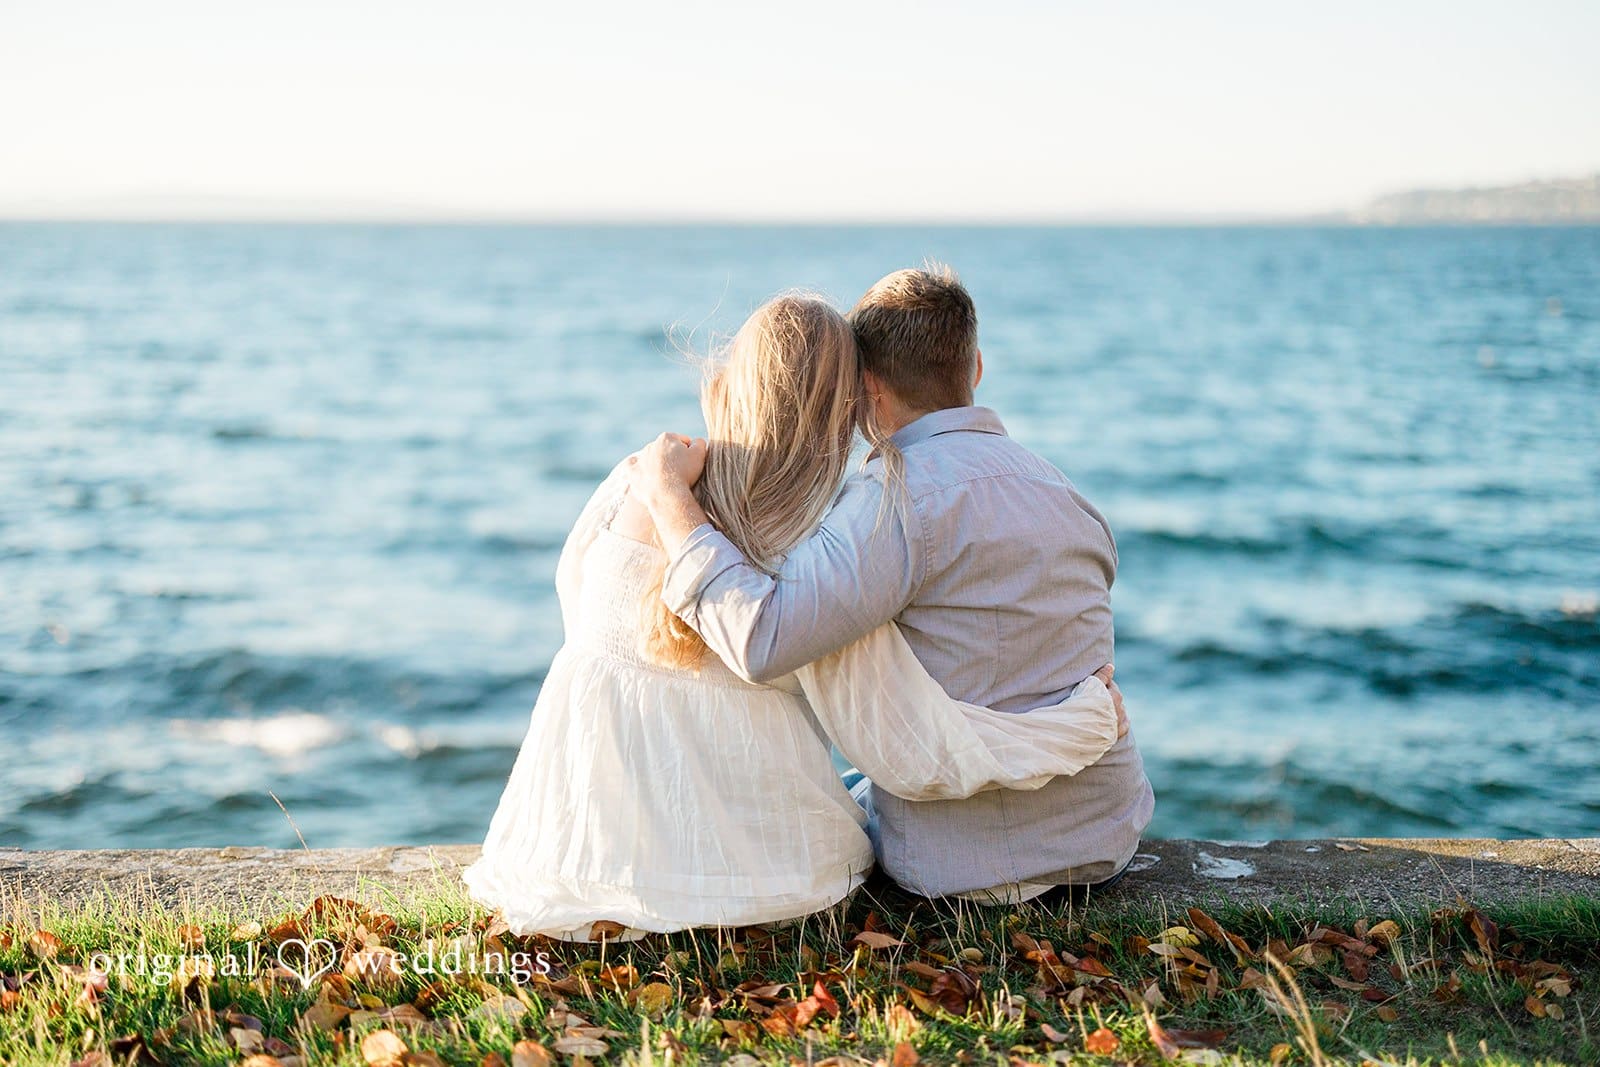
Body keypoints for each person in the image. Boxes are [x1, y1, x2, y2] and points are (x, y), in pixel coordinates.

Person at [465, 293, 1127, 939]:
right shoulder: (1050, 493)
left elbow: (579, 612)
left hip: (570, 841)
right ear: (972, 370)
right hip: (776, 870)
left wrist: (668, 494)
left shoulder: (635, 480)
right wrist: (1083, 720)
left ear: (730, 380)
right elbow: (910, 738)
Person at [629, 266, 1155, 906]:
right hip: (1105, 843)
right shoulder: (1064, 493)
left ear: (867, 392)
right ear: (976, 368)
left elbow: (760, 639)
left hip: (967, 874)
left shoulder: (894, 503)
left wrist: (668, 498)